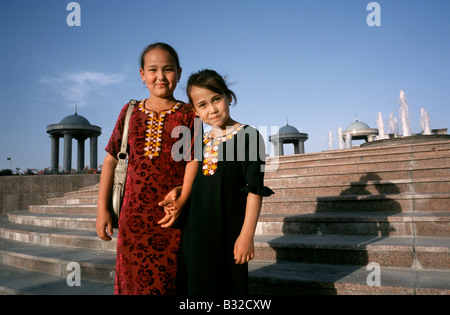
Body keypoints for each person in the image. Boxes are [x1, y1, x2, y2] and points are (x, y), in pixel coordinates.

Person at [159, 69, 274, 295]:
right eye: (202, 105)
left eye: (216, 99)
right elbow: (204, 180)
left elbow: (254, 190)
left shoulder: (248, 136)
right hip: (195, 231)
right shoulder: (200, 139)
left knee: (225, 288)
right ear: (195, 110)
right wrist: (181, 189)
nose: (212, 109)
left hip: (227, 230)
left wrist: (246, 236)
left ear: (228, 97)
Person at [96, 42, 198, 295]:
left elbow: (193, 160)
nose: (160, 77)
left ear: (179, 72)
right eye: (153, 70)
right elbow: (110, 160)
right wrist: (102, 211)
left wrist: (184, 196)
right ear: (142, 75)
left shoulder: (188, 114)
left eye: (168, 69)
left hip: (174, 216)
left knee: (172, 283)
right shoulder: (130, 111)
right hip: (133, 220)